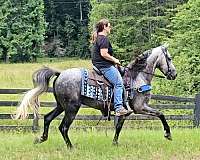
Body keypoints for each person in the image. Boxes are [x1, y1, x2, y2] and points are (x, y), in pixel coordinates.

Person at [91, 19, 132, 116]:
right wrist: (115, 60)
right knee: (118, 83)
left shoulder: (98, 38)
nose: (110, 28)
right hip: (105, 66)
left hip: (99, 65)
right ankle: (118, 107)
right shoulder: (104, 39)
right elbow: (104, 54)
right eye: (109, 26)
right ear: (104, 27)